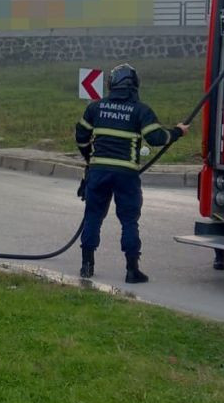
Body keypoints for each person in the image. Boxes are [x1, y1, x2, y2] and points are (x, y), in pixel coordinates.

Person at [74, 63, 189, 283]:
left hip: (98, 173)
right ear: (135, 85)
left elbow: (80, 135)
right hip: (126, 174)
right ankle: (131, 270)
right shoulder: (140, 110)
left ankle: (86, 266)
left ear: (111, 85)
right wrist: (177, 132)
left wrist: (91, 159)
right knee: (128, 220)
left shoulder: (95, 108)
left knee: (93, 216)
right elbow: (156, 138)